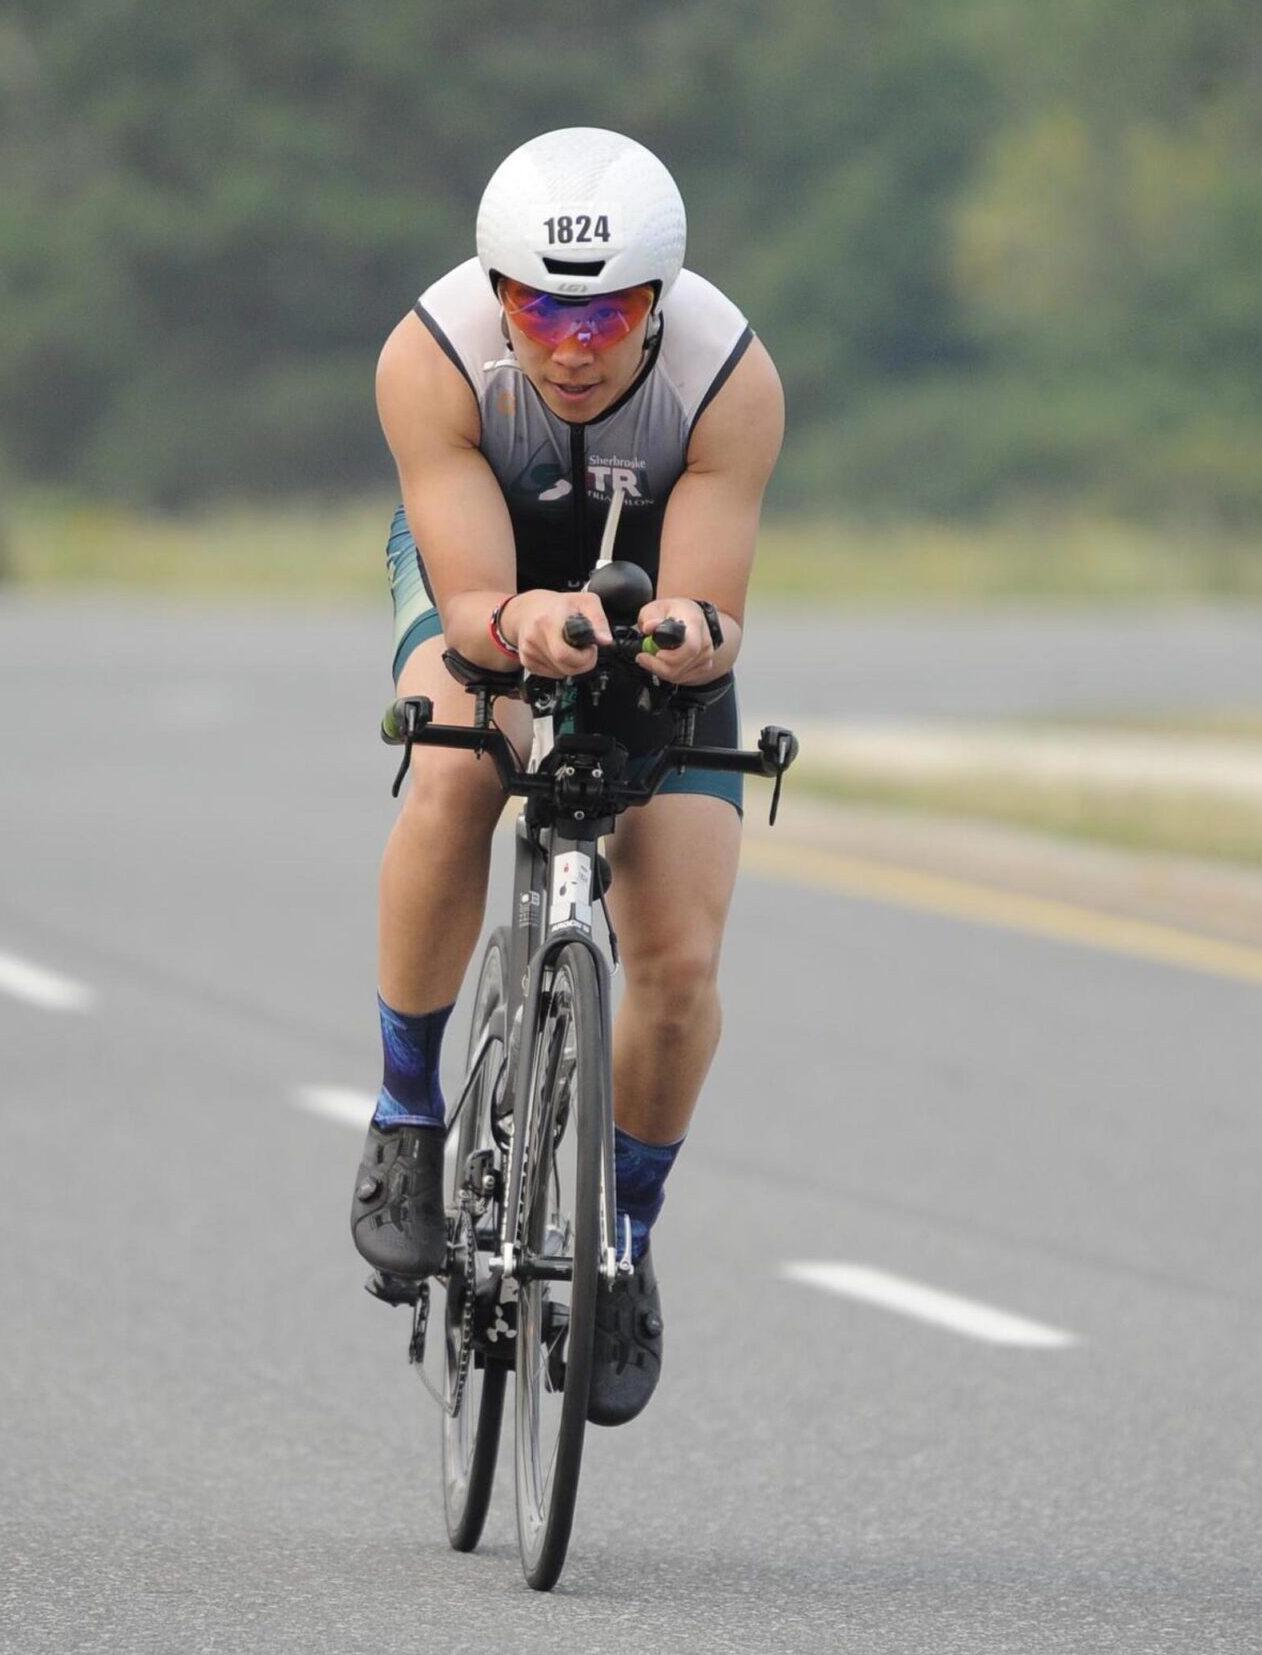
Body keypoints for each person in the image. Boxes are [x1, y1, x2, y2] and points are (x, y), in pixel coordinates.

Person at [350, 127, 783, 1425]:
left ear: (658, 303)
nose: (573, 343)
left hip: (644, 573)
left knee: (681, 963)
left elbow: (711, 607)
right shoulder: (428, 359)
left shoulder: (728, 378)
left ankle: (628, 1241)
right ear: (496, 295)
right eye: (540, 307)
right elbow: (472, 597)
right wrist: (518, 628)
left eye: (608, 312)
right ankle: (406, 1118)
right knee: (456, 775)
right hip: (482, 561)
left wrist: (692, 635)